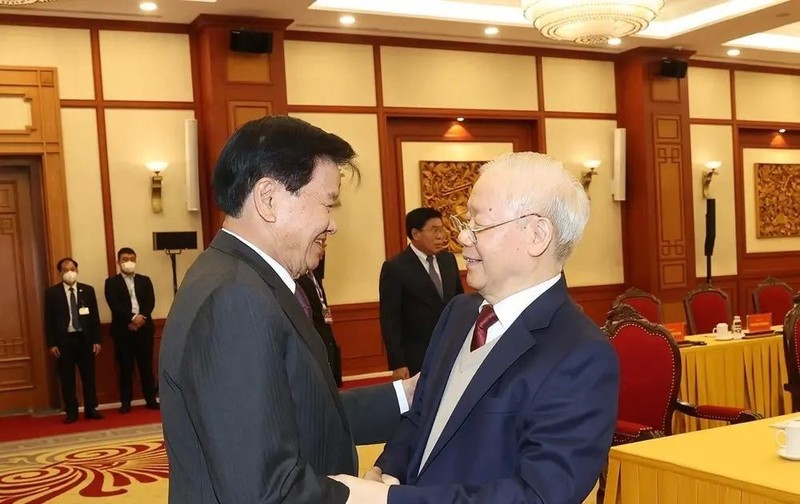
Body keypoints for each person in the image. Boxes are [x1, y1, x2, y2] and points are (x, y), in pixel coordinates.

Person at [332, 152, 620, 504]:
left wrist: (389, 500)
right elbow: (422, 414)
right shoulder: (459, 312)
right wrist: (388, 469)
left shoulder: (580, 354)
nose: (462, 239)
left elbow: (540, 496)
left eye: (477, 226)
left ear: (536, 235)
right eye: (463, 222)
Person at [159, 116, 416, 504]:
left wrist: (407, 396)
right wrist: (376, 498)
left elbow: (295, 411)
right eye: (328, 203)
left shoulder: (243, 278)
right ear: (269, 199)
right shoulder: (235, 299)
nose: (333, 225)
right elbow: (264, 490)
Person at [379, 207, 464, 379]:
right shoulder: (395, 267)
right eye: (434, 230)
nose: (441, 235)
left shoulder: (448, 260)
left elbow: (459, 303)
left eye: (442, 228)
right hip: (416, 358)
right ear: (416, 234)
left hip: (451, 351)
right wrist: (398, 363)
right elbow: (390, 320)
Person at [44, 257, 103, 424]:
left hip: (85, 339)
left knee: (88, 376)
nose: (70, 272)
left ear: (77, 270)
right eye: (65, 270)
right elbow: (48, 320)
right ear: (60, 273)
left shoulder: (88, 290)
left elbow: (94, 318)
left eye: (72, 269)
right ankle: (71, 411)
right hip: (64, 341)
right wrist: (52, 343)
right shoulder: (52, 293)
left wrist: (97, 340)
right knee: (67, 378)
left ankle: (91, 408)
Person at [104, 247, 158, 413]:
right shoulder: (111, 283)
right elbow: (114, 304)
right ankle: (125, 402)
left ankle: (150, 399)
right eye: (125, 259)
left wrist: (141, 317)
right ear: (119, 262)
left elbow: (150, 302)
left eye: (132, 259)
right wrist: (132, 318)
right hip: (123, 331)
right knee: (125, 368)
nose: (129, 262)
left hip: (144, 329)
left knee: (146, 367)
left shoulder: (145, 280)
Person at [297, 255, 343, 386]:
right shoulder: (298, 278)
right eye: (320, 242)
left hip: (326, 337)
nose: (323, 250)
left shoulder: (315, 275)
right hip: (315, 341)